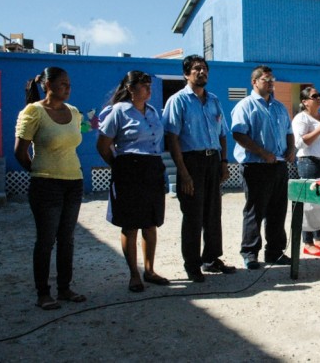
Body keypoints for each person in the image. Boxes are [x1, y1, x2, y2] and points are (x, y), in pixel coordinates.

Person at [14, 66, 86, 310]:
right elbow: (20, 152)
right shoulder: (33, 112)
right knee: (46, 240)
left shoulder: (74, 113)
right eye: (63, 83)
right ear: (47, 85)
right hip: (46, 184)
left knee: (67, 239)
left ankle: (64, 288)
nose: (68, 88)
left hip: (73, 182)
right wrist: (39, 172)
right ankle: (43, 292)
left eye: (69, 84)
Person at [162, 55, 235, 283]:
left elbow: (223, 134)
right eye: (196, 69)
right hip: (191, 162)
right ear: (186, 74)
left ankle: (211, 258)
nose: (202, 72)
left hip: (213, 160)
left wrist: (224, 162)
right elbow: (172, 138)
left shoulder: (213, 100)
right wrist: (183, 173)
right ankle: (192, 265)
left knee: (213, 213)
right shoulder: (178, 101)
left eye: (204, 68)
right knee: (193, 215)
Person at [97, 70, 169, 292]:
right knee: (130, 225)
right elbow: (102, 145)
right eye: (143, 85)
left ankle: (150, 270)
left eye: (150, 84)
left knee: (150, 223)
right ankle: (134, 274)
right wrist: (121, 166)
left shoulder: (153, 112)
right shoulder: (118, 112)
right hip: (130, 170)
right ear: (130, 88)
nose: (149, 89)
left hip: (153, 169)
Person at [231, 65, 296, 270]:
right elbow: (238, 134)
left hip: (278, 165)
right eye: (266, 80)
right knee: (255, 211)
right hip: (256, 166)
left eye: (272, 80)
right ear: (254, 82)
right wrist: (262, 153)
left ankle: (275, 252)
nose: (270, 83)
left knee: (278, 211)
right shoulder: (245, 106)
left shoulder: (279, 107)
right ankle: (250, 253)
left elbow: (288, 131)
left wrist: (292, 149)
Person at [292, 87, 320, 257]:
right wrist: (319, 128)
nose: (318, 98)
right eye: (314, 96)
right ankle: (307, 242)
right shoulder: (301, 119)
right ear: (304, 101)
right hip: (310, 163)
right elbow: (300, 143)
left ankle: (319, 238)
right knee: (309, 205)